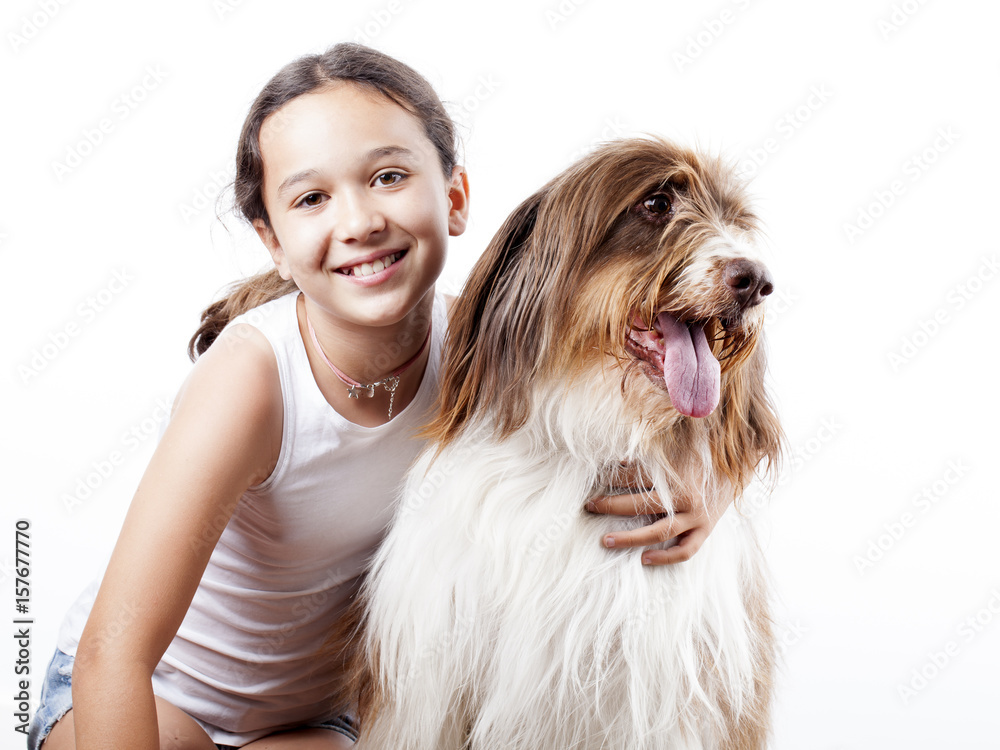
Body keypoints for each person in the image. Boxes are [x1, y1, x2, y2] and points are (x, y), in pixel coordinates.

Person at [29, 43, 733, 750]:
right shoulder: (251, 380)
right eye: (312, 199)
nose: (360, 221)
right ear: (273, 243)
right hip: (146, 694)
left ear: (454, 198)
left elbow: (607, 424)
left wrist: (712, 490)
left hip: (310, 719)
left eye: (388, 177)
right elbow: (113, 654)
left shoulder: (481, 349)